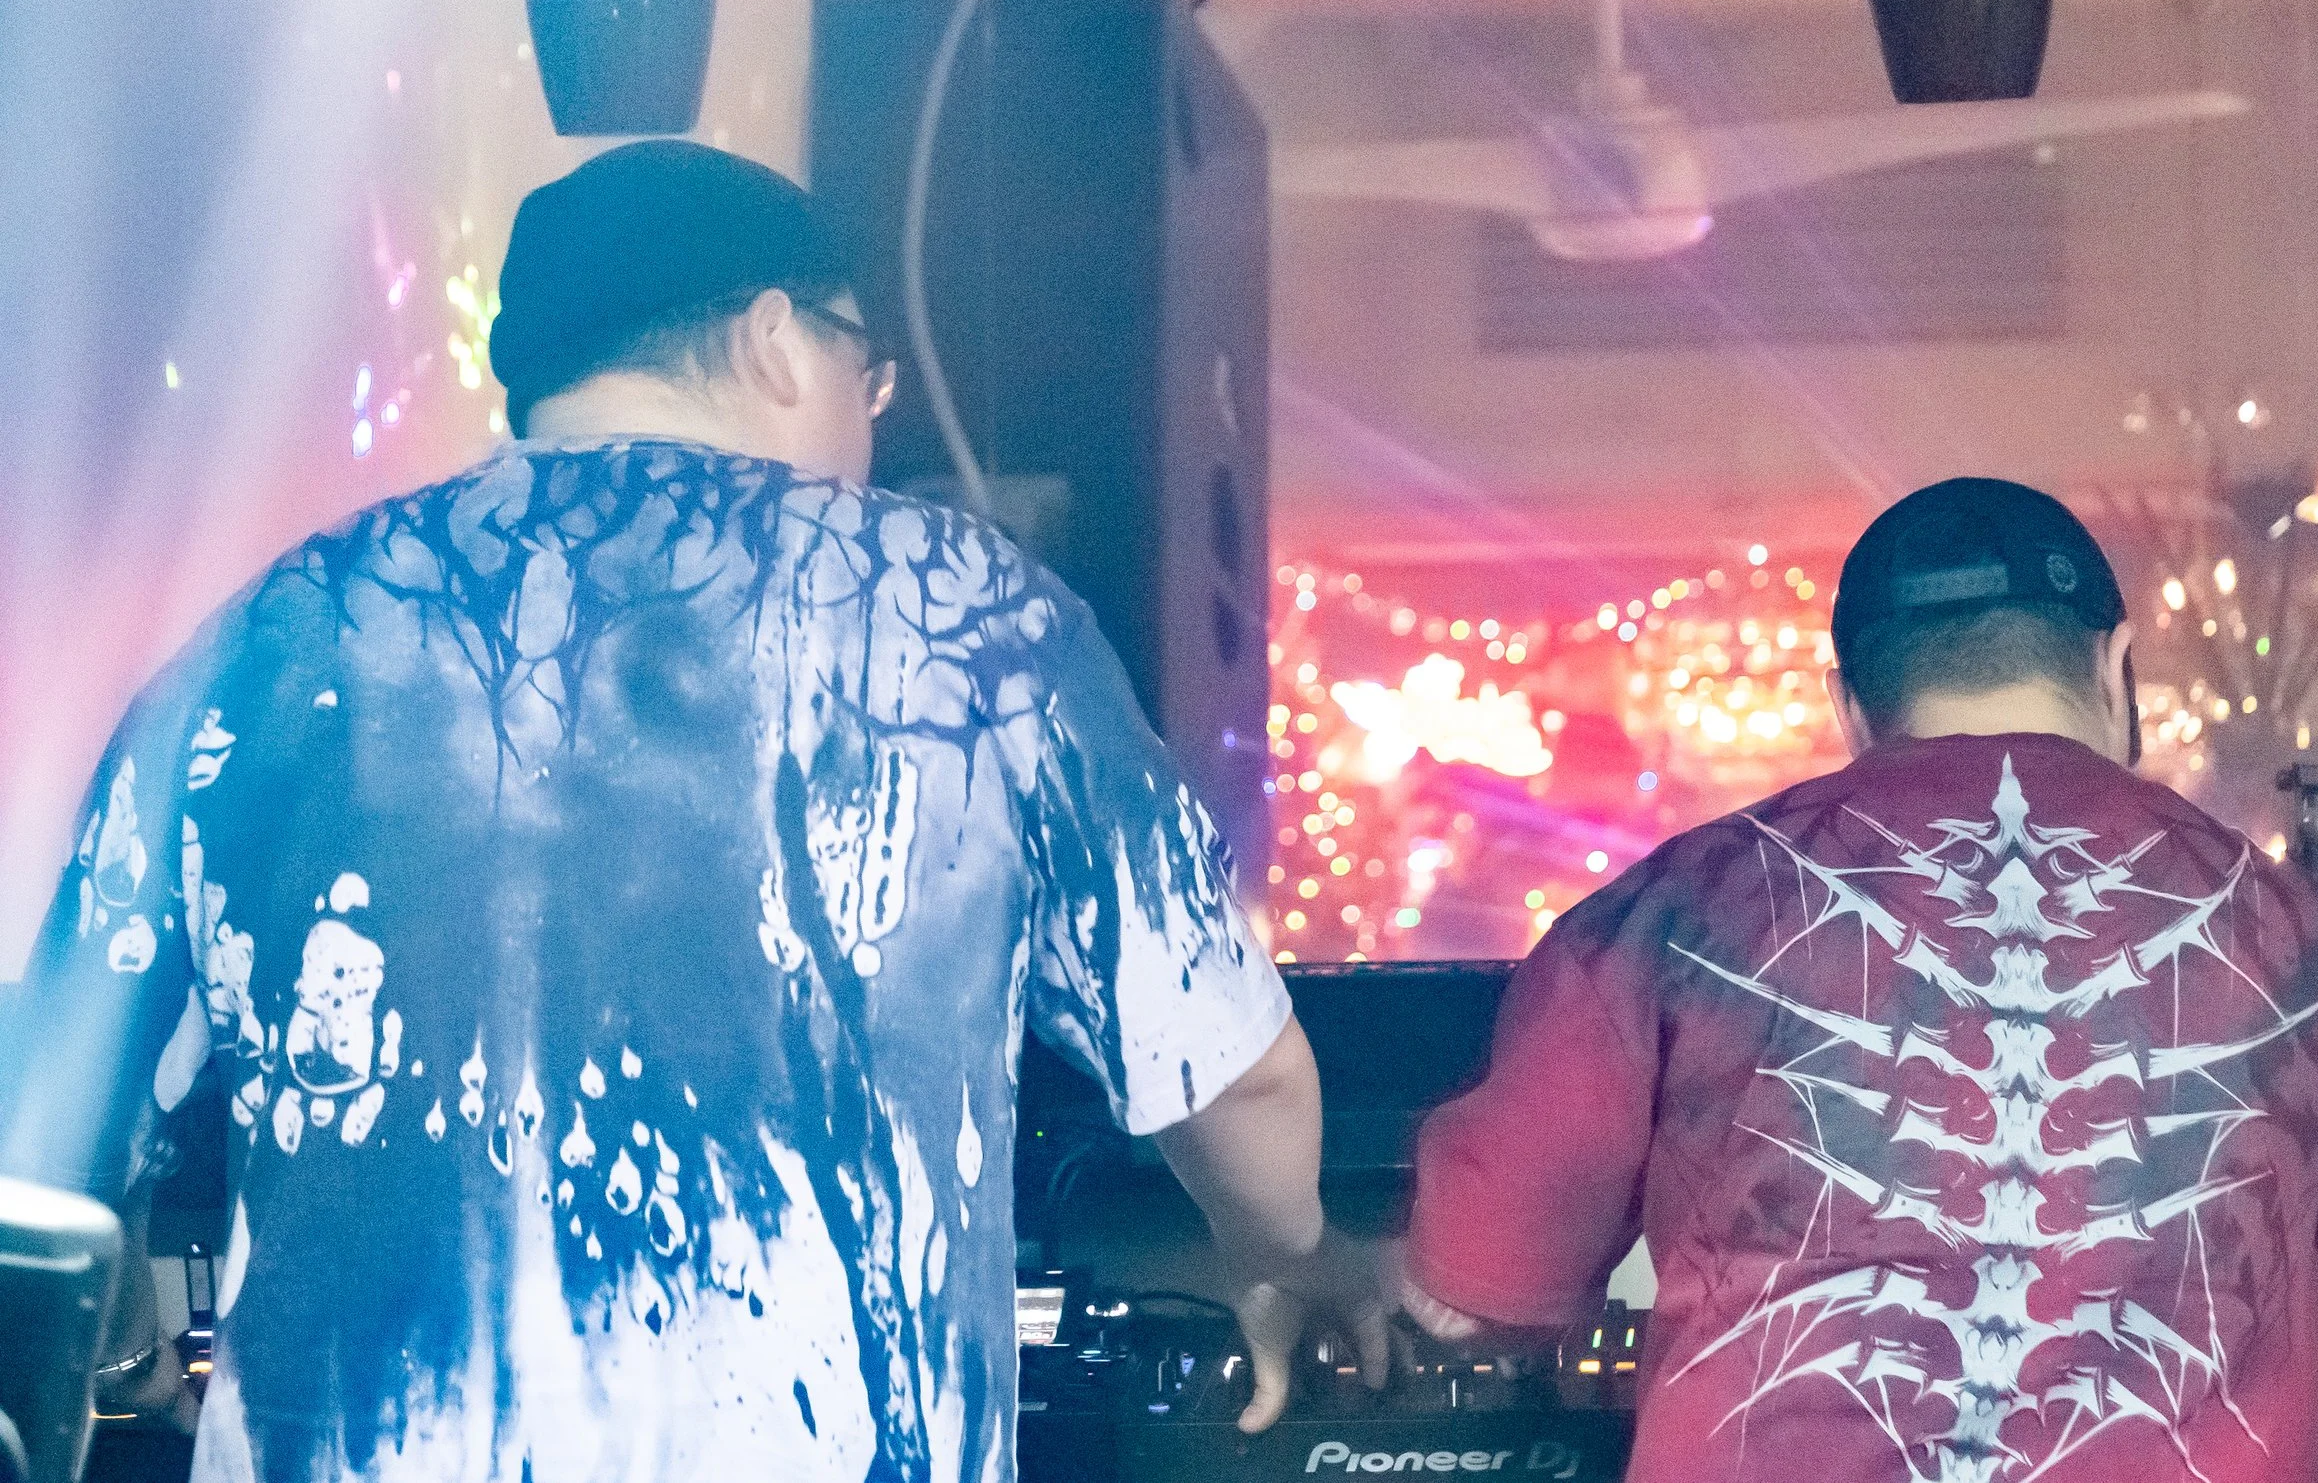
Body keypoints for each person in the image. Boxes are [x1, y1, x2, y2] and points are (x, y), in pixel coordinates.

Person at [0, 140, 1379, 1483]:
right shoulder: (964, 616)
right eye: (869, 371)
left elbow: (49, 1140)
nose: (869, 411)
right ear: (781, 339)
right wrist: (1283, 1254)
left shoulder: (281, 633)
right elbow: (1240, 1069)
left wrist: (116, 1350)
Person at [1400, 477, 2318, 1483]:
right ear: (2118, 667)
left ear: (1849, 704)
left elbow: (1476, 1300)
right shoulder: (2313, 942)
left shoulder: (1663, 922)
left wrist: (1326, 1272)